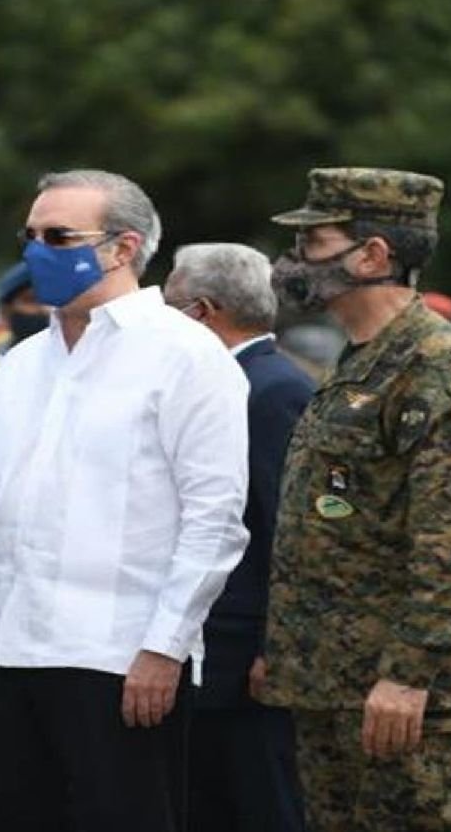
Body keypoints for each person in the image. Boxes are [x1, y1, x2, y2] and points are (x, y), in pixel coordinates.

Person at [0, 169, 250, 832]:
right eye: (30, 236)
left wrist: (164, 647)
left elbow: (214, 523)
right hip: (13, 648)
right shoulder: (25, 362)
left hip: (118, 656)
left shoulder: (187, 356)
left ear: (122, 248)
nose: (36, 253)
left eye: (58, 237)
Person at [255, 167, 451, 831]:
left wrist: (409, 674)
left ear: (371, 256)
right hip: (336, 680)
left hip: (400, 693)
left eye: (314, 242)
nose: (294, 261)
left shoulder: (434, 365)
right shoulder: (364, 359)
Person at [163, 243, 312, 832]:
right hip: (210, 652)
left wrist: (277, 647)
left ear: (203, 311)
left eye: (170, 305)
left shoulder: (272, 390)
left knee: (257, 807)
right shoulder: (230, 381)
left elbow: (289, 530)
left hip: (245, 657)